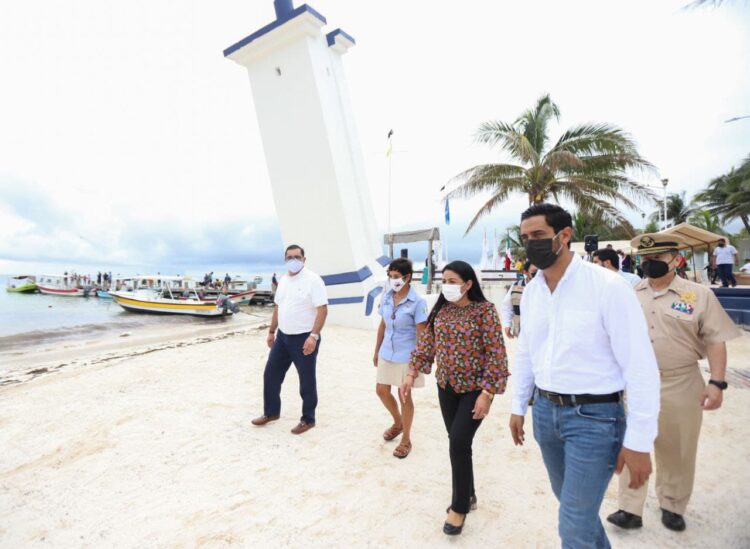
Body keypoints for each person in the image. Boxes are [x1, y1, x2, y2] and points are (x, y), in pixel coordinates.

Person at [508, 203, 660, 549]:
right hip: (545, 413)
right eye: (525, 238)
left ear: (564, 235)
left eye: (538, 235)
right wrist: (518, 405)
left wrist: (639, 441)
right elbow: (528, 351)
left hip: (595, 418)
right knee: (576, 512)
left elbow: (640, 367)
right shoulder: (532, 291)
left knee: (574, 524)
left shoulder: (607, 286)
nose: (530, 243)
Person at [607, 233, 742, 532]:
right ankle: (629, 508)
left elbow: (715, 340)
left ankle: (672, 504)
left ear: (676, 260)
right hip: (636, 383)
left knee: (678, 447)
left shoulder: (698, 295)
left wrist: (717, 383)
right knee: (632, 442)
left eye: (657, 258)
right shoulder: (629, 294)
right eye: (646, 259)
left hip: (681, 381)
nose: (650, 263)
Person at [401, 260, 508, 536]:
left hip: (475, 390)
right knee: (459, 444)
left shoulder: (484, 311)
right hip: (446, 387)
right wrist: (411, 373)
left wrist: (487, 394)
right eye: (444, 281)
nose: (446, 286)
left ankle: (459, 507)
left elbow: (496, 354)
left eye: (452, 281)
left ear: (468, 284)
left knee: (458, 442)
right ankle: (469, 494)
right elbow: (426, 345)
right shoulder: (441, 311)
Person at [252, 245, 328, 435]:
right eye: (289, 257)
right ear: (285, 260)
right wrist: (271, 331)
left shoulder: (313, 280)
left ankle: (308, 419)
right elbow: (278, 307)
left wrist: (313, 336)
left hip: (304, 337)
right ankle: (271, 412)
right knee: (271, 375)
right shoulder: (284, 280)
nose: (293, 260)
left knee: (306, 380)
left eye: (297, 257)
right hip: (283, 337)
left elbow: (322, 309)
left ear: (304, 259)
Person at [372, 259, 428, 459]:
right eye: (390, 276)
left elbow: (422, 334)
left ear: (407, 277)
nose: (393, 280)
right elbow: (383, 325)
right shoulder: (387, 297)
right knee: (381, 390)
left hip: (407, 356)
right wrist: (376, 351)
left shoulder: (418, 302)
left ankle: (406, 439)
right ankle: (398, 422)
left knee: (404, 395)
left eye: (396, 277)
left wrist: (417, 362)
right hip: (387, 352)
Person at [500, 260, 537, 338]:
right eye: (534, 272)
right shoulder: (515, 286)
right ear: (525, 272)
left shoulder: (546, 287)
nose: (537, 275)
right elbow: (507, 307)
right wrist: (507, 324)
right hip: (521, 332)